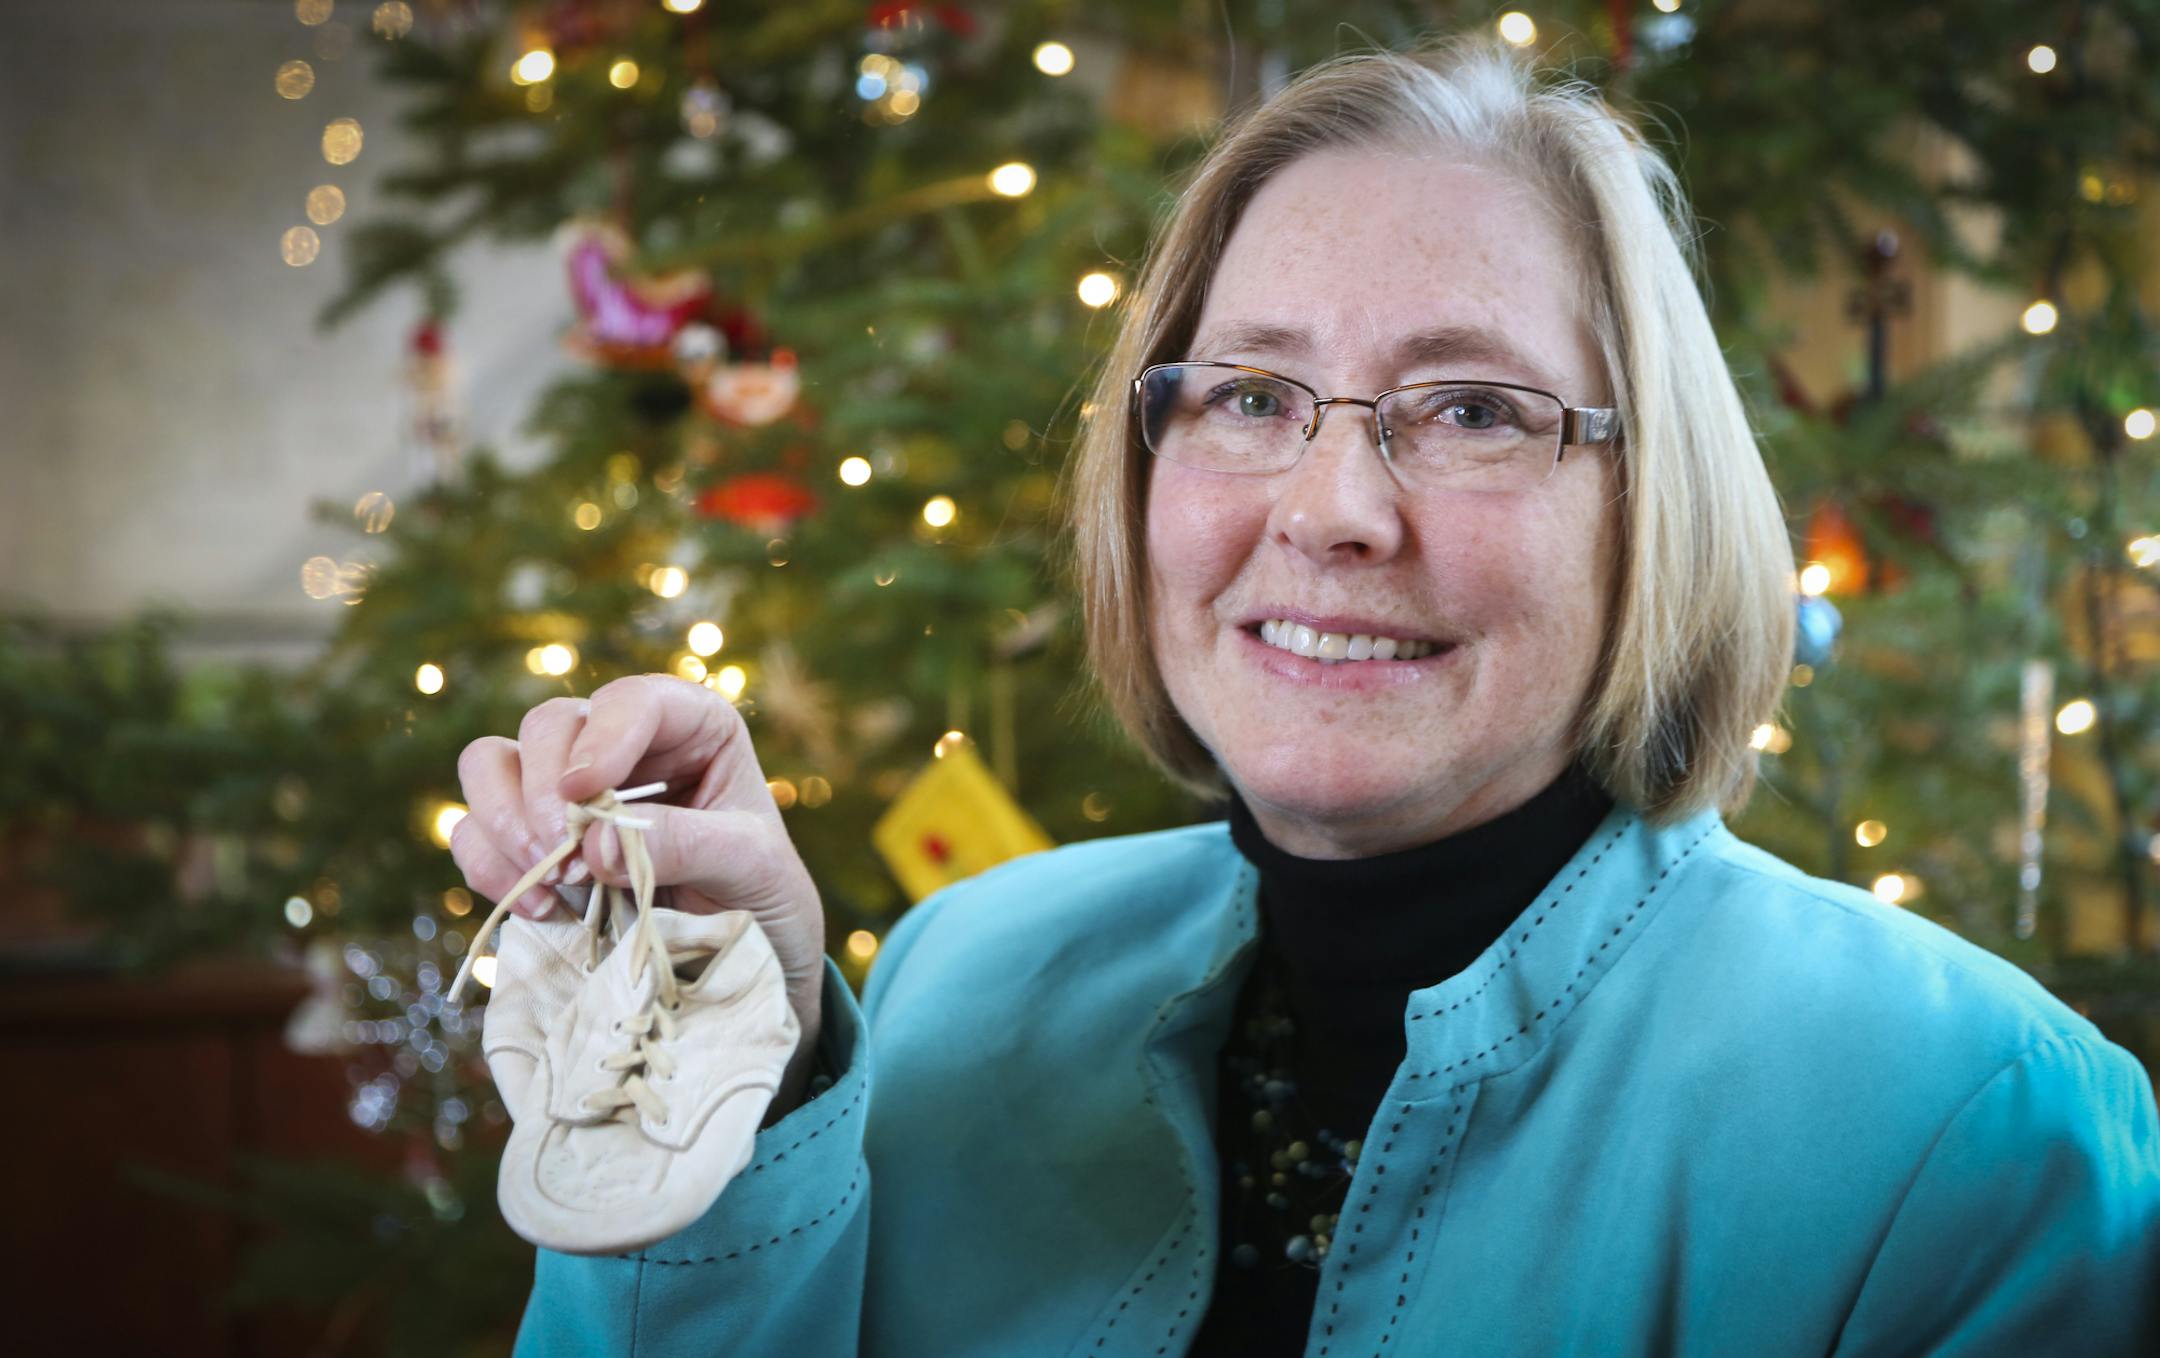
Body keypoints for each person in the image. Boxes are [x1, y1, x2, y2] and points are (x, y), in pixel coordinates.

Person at [450, 35, 2160, 1357]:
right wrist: (728, 1064)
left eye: (1477, 409)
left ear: (1655, 509)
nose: (1332, 509)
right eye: (1251, 395)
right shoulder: (961, 976)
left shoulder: (1974, 1124)